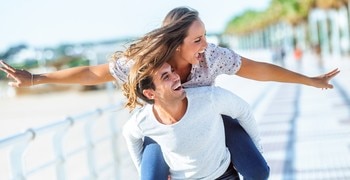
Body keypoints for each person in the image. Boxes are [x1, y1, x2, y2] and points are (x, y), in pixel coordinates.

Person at [0, 6, 339, 180]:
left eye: (205, 36)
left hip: (211, 120)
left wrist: (309, 80)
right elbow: (94, 72)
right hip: (163, 130)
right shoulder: (146, 64)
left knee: (259, 171)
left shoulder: (213, 57)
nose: (205, 45)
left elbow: (259, 70)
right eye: (197, 40)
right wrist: (37, 78)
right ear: (176, 43)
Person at [122, 61, 258, 179]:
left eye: (172, 71)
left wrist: (257, 149)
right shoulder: (143, 121)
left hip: (223, 176)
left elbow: (244, 111)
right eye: (166, 77)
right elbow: (129, 135)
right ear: (150, 93)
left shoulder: (209, 98)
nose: (176, 77)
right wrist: (142, 170)